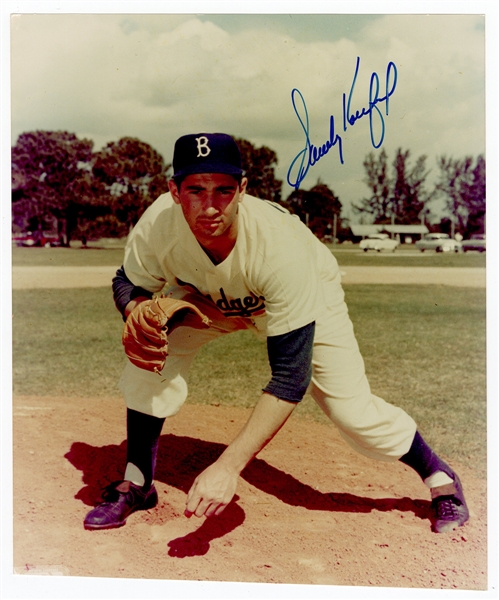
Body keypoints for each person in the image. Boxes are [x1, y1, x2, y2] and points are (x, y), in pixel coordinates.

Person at [83, 133, 469, 534]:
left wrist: (228, 467)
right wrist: (136, 309)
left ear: (243, 190)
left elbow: (290, 377)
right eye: (195, 190)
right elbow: (128, 280)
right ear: (174, 191)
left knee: (353, 413)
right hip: (207, 300)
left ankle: (438, 476)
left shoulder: (280, 247)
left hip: (299, 295)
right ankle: (138, 481)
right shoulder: (158, 225)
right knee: (150, 349)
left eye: (224, 190)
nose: (211, 205)